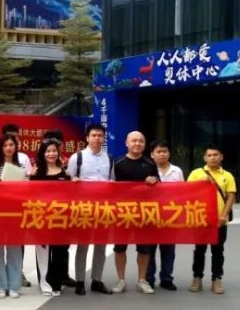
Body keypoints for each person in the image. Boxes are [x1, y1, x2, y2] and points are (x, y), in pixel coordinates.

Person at [0, 123, 33, 288]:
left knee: (15, 250)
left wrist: (23, 183)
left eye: (12, 144)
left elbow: (27, 188)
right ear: (1, 147)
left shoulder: (21, 165)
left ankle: (14, 284)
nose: (9, 148)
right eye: (5, 145)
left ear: (16, 146)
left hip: (15, 212)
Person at [110, 131, 160, 295]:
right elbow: (109, 187)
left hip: (144, 213)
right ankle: (121, 280)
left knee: (144, 249)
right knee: (119, 248)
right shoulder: (117, 163)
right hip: (121, 213)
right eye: (134, 141)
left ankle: (142, 280)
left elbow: (159, 185)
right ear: (126, 143)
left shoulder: (150, 163)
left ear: (144, 145)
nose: (137, 144)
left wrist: (154, 180)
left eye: (141, 141)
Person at [67, 123, 113, 296]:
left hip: (103, 209)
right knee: (83, 245)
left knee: (101, 246)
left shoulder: (109, 158)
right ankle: (80, 281)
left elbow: (113, 182)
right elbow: (68, 182)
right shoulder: (76, 158)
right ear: (87, 137)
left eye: (100, 135)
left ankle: (97, 280)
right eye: (94, 135)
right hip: (83, 209)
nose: (97, 138)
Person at [188, 144, 236, 295]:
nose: (212, 157)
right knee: (199, 250)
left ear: (221, 157)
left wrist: (224, 215)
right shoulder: (196, 174)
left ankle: (216, 279)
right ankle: (197, 278)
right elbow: (187, 193)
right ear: (204, 158)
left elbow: (230, 197)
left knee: (218, 251)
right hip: (201, 219)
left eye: (215, 155)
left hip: (219, 220)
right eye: (209, 155)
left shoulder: (227, 176)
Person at [30, 138, 71, 297]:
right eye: (48, 151)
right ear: (43, 153)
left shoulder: (65, 173)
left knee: (60, 251)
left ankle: (56, 282)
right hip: (42, 217)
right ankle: (44, 283)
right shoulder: (36, 173)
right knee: (43, 251)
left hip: (61, 218)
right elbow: (30, 195)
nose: (51, 154)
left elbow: (70, 195)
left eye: (54, 151)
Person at [146, 140, 184, 290]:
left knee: (168, 250)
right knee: (149, 249)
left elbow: (182, 193)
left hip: (170, 216)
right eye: (158, 151)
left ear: (169, 153)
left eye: (165, 151)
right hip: (150, 216)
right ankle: (149, 278)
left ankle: (166, 278)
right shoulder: (146, 169)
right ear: (152, 155)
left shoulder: (177, 171)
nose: (162, 154)